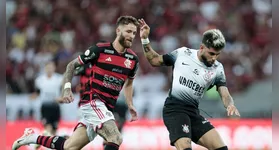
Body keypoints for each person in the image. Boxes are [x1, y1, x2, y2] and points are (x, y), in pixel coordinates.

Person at [12, 15, 140, 150]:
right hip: (93, 102)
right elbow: (71, 66)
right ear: (118, 31)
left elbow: (129, 83)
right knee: (115, 137)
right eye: (128, 31)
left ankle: (30, 138)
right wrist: (66, 89)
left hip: (107, 107)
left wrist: (130, 104)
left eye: (133, 33)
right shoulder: (100, 49)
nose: (131, 36)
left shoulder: (132, 59)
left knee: (69, 146)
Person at [138, 18, 240, 150]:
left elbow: (224, 92)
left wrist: (230, 104)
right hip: (175, 110)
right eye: (211, 53)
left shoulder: (217, 68)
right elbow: (155, 60)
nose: (214, 58)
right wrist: (145, 40)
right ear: (202, 47)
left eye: (217, 55)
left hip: (193, 113)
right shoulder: (182, 54)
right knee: (186, 148)